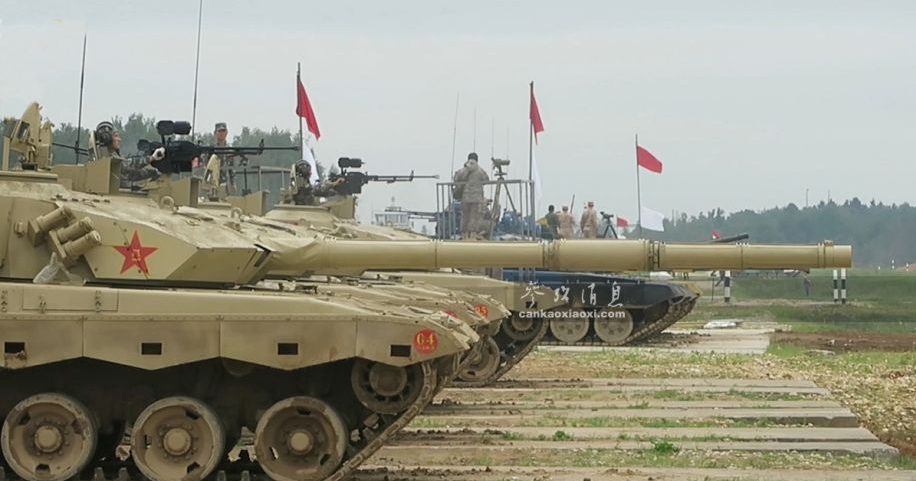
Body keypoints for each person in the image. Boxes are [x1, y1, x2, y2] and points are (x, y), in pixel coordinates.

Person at [91, 121, 160, 190]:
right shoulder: (108, 158)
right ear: (107, 138)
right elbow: (127, 165)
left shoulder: (108, 156)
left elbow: (130, 174)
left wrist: (153, 172)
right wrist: (151, 158)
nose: (119, 139)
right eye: (116, 136)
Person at [453, 152, 490, 239]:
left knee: (465, 216)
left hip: (465, 197)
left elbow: (456, 178)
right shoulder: (480, 170)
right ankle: (472, 234)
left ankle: (464, 234)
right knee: (474, 217)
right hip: (477, 198)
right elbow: (486, 180)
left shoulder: (463, 170)